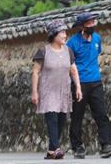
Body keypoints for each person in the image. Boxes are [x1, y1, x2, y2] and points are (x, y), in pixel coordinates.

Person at [68, 12, 111, 159]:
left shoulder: (97, 38)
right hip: (80, 83)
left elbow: (97, 53)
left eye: (93, 22)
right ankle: (77, 146)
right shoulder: (72, 43)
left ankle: (106, 145)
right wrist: (75, 84)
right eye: (89, 23)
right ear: (82, 26)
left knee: (101, 114)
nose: (92, 25)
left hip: (96, 82)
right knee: (77, 116)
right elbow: (69, 64)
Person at [31, 20, 83, 160]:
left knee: (61, 121)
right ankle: (57, 148)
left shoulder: (68, 51)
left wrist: (78, 87)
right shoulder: (43, 51)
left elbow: (73, 70)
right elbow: (35, 72)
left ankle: (51, 151)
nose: (65, 35)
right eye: (62, 33)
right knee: (52, 120)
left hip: (63, 91)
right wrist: (35, 92)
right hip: (48, 91)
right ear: (54, 35)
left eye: (65, 33)